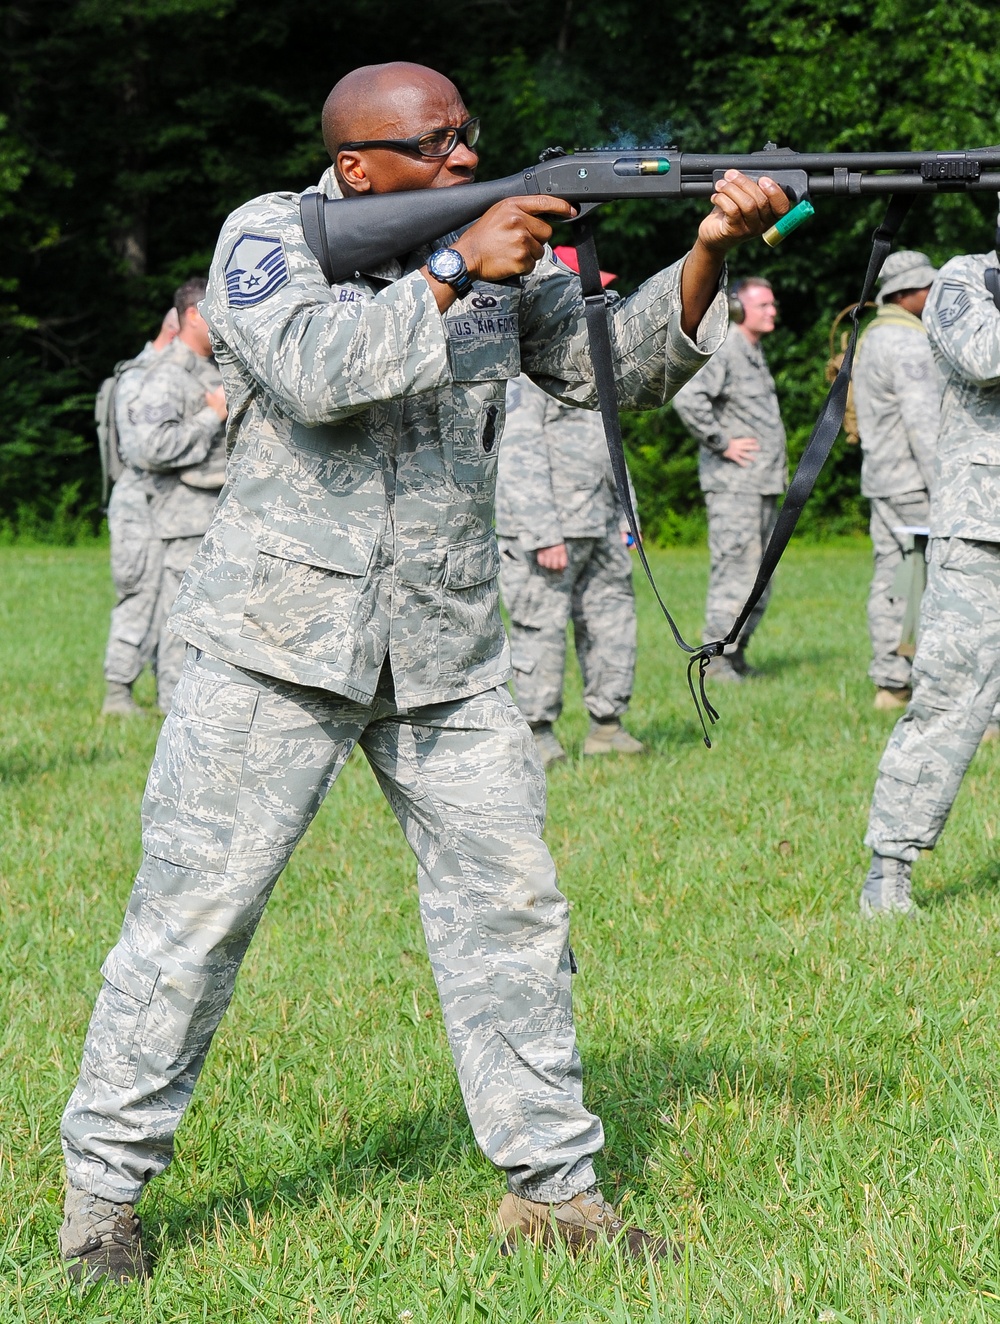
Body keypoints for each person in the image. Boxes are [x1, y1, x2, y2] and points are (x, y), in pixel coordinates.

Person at [57, 61, 788, 1282]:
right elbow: (310, 371)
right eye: (434, 144)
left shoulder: (502, 252)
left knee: (514, 916)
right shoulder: (271, 236)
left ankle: (554, 1192)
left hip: (445, 647)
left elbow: (612, 365)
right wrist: (457, 268)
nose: (462, 159)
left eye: (471, 138)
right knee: (192, 922)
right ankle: (101, 1201)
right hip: (275, 647)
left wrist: (710, 247)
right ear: (357, 169)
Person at [860, 239, 1000, 917]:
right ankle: (890, 866)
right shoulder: (964, 280)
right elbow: (983, 356)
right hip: (984, 530)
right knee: (949, 700)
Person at [496, 249, 643, 766]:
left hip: (602, 521)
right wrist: (542, 532)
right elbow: (518, 449)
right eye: (590, 292)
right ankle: (537, 734)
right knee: (541, 628)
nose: (600, 301)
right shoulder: (524, 363)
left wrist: (629, 518)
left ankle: (608, 724)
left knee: (613, 624)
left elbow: (612, 447)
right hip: (550, 528)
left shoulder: (592, 361)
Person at [120, 277, 229, 713]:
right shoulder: (167, 375)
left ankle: (192, 704)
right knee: (182, 618)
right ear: (192, 315)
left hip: (216, 511)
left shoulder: (217, 367)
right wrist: (211, 416)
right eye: (214, 311)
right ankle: (173, 706)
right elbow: (152, 448)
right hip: (183, 517)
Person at [671, 277, 787, 680]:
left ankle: (735, 654)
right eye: (764, 305)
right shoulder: (726, 347)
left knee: (759, 579)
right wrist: (722, 442)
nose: (773, 311)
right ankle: (716, 663)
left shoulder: (753, 351)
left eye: (773, 304)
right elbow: (688, 396)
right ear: (737, 308)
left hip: (761, 483)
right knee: (735, 574)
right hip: (734, 486)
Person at [852, 250, 941, 711]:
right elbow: (924, 424)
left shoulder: (874, 335)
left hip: (883, 480)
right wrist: (946, 487)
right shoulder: (907, 342)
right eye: (929, 287)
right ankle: (939, 684)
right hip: (914, 484)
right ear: (907, 292)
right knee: (936, 581)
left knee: (893, 579)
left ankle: (891, 681)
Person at [101, 308, 179, 716]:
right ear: (175, 327)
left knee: (174, 599)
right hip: (139, 504)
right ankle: (118, 694)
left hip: (172, 505)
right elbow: (142, 451)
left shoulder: (177, 373)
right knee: (139, 595)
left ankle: (170, 697)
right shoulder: (141, 377)